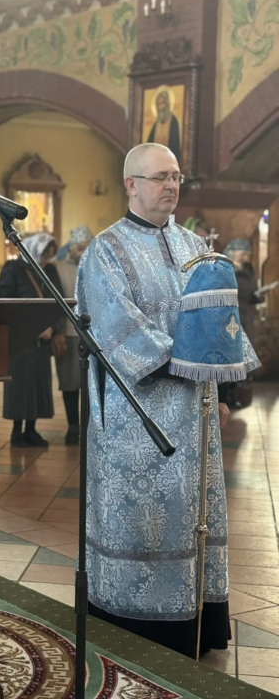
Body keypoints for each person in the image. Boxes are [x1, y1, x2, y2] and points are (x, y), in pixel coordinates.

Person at [76, 142, 259, 659]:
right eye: (160, 177)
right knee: (142, 518)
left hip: (197, 410)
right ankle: (134, 620)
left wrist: (222, 389)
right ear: (130, 184)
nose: (171, 186)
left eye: (176, 176)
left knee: (192, 513)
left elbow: (219, 324)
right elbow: (117, 326)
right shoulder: (105, 251)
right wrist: (184, 359)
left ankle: (196, 619)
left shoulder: (195, 245)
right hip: (138, 412)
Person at [0, 234, 65, 448]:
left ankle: (31, 429)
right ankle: (16, 432)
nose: (46, 260)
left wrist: (53, 327)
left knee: (38, 385)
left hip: (43, 342)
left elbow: (59, 301)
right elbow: (6, 304)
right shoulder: (13, 269)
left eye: (50, 256)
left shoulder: (50, 270)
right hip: (20, 341)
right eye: (43, 255)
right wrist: (34, 329)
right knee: (20, 386)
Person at [55, 225, 93, 445]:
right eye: (79, 248)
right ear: (71, 248)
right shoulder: (58, 267)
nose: (82, 252)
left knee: (90, 383)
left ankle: (89, 426)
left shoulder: (96, 265)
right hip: (69, 332)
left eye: (87, 247)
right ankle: (72, 426)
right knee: (70, 382)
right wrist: (58, 330)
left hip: (93, 334)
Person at [223, 239, 263, 409]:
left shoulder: (248, 269)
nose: (246, 258)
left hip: (246, 319)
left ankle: (236, 395)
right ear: (232, 252)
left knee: (243, 357)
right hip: (228, 319)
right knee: (229, 356)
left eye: (248, 255)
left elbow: (251, 292)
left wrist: (258, 297)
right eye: (243, 254)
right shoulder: (223, 267)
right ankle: (225, 397)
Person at [147, 90, 181, 164]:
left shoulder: (173, 121)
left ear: (167, 104)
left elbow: (175, 146)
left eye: (162, 103)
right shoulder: (156, 124)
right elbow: (149, 144)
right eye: (158, 104)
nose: (160, 107)